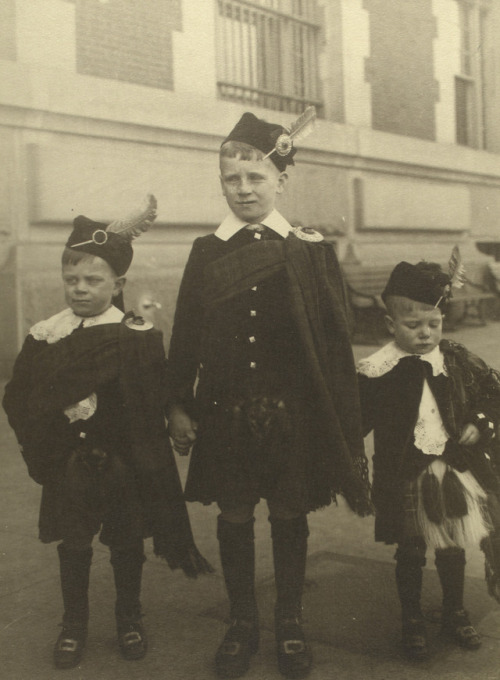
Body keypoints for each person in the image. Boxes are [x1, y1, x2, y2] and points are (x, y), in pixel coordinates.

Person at [166, 111, 372, 679]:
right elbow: (186, 330)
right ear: (222, 184)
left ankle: (289, 621)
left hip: (294, 412)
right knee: (233, 513)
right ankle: (241, 622)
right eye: (232, 179)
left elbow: (334, 341)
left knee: (287, 512)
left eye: (256, 178)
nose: (244, 189)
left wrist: (340, 416)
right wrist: (178, 401)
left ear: (282, 179)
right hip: (225, 410)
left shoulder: (308, 249)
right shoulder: (208, 250)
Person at [2, 196, 212, 670]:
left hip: (124, 466)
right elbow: (19, 399)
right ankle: (73, 623)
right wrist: (47, 451)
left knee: (125, 542)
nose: (79, 289)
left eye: (93, 280)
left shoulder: (135, 335)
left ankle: (128, 616)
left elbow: (156, 394)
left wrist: (174, 416)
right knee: (73, 544)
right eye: (71, 279)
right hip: (67, 466)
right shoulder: (45, 335)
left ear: (118, 284)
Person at [357, 259, 500, 660]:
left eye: (433, 324)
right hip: (404, 475)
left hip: (453, 470)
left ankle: (455, 610)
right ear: (390, 325)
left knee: (453, 545)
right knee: (411, 549)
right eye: (413, 325)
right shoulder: (377, 370)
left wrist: (479, 421)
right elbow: (355, 421)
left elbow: (494, 391)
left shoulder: (456, 359)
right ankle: (412, 618)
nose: (425, 334)